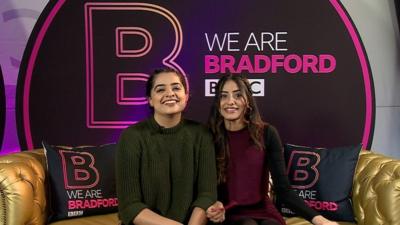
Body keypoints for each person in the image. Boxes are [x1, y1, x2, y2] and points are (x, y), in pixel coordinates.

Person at [205, 74, 339, 225]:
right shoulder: (208, 136)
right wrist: (213, 205)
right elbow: (202, 187)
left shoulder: (267, 133)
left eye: (238, 95)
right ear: (218, 103)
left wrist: (319, 220)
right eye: (224, 96)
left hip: (263, 211)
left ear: (248, 100)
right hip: (228, 213)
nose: (230, 101)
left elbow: (283, 189)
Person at [116, 68, 217, 225]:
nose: (170, 93)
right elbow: (130, 207)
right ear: (150, 99)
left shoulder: (202, 134)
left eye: (176, 88)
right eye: (160, 89)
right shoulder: (132, 136)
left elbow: (207, 195)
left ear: (186, 96)